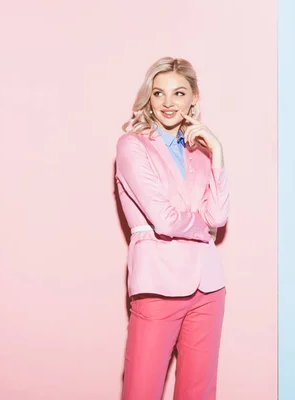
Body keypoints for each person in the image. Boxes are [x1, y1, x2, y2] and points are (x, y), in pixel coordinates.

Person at [115, 57, 229, 400]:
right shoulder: (132, 145)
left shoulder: (200, 150)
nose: (168, 103)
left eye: (179, 93)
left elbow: (218, 217)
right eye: (159, 93)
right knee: (142, 390)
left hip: (208, 287)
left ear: (194, 97)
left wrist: (219, 153)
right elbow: (163, 219)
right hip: (158, 283)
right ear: (148, 97)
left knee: (199, 391)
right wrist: (201, 229)